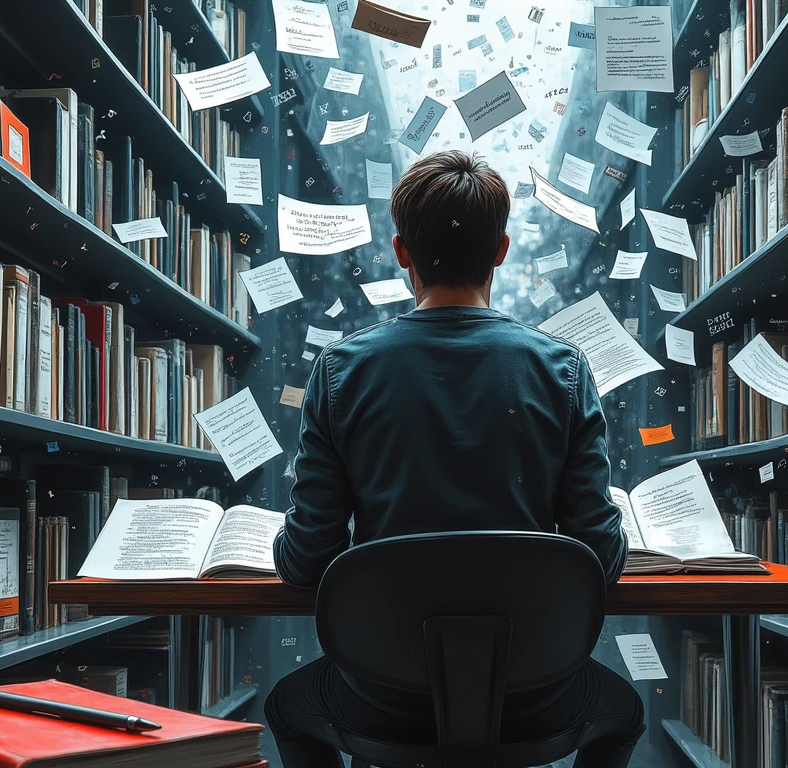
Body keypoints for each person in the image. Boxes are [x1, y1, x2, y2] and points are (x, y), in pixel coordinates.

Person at [264, 150, 645, 768]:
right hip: (534, 696)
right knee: (622, 712)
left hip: (381, 696)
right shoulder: (564, 370)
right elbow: (599, 559)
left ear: (401, 252)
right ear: (501, 250)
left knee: (289, 708)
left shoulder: (340, 371)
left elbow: (307, 563)